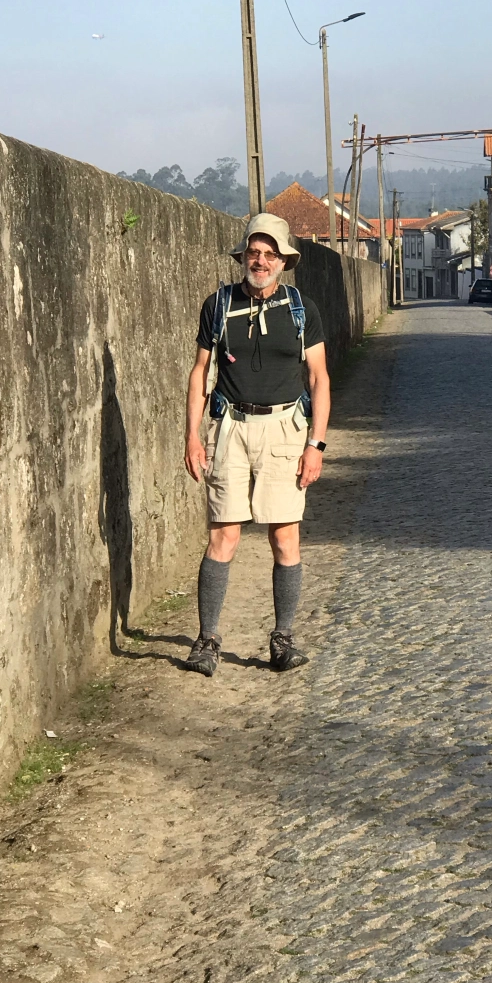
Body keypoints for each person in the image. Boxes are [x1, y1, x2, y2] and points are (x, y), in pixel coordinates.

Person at [183, 213, 329, 676]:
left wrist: (316, 445)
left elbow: (320, 379)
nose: (260, 261)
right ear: (243, 256)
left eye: (270, 254)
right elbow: (199, 375)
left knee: (285, 536)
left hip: (286, 430)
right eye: (253, 252)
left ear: (284, 260)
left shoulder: (302, 309)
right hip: (230, 428)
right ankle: (206, 641)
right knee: (222, 535)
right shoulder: (219, 304)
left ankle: (282, 639)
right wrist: (192, 436)